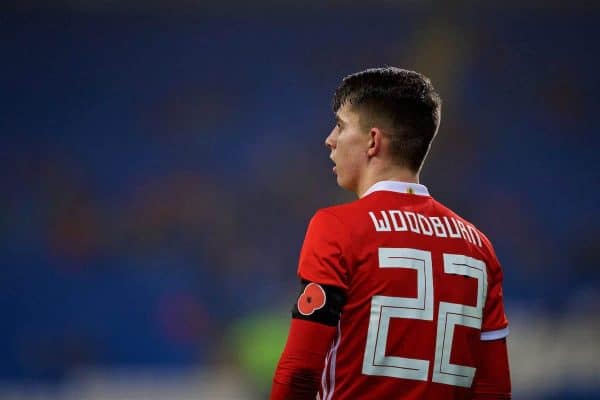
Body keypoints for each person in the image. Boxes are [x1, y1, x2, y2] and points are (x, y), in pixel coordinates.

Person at [270, 67, 511, 400]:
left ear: (372, 141)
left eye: (340, 126)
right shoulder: (478, 247)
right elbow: (494, 390)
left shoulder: (336, 227)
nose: (330, 139)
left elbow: (300, 369)